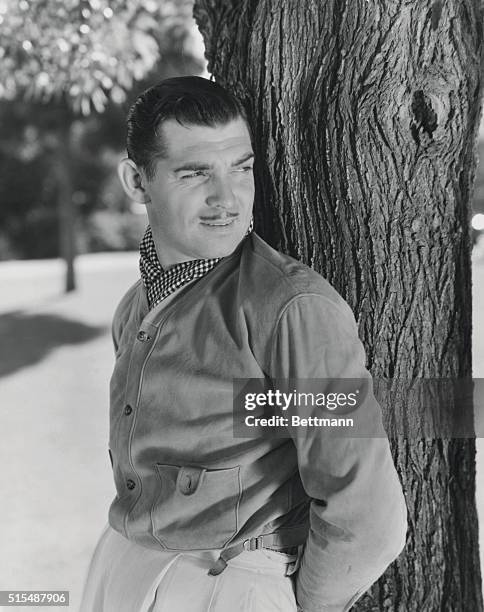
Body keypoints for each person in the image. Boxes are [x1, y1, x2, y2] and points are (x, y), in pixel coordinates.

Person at [80, 76, 407, 612]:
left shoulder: (292, 309)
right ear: (137, 182)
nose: (226, 198)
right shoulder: (133, 308)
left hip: (229, 584)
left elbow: (367, 514)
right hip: (120, 571)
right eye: (195, 174)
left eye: (242, 168)